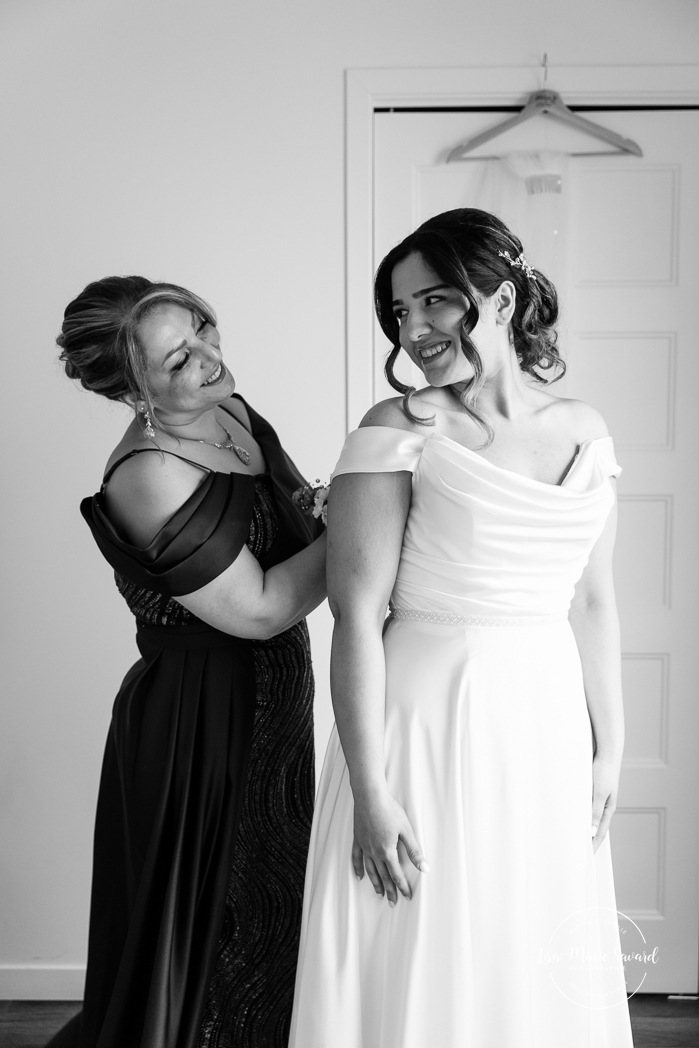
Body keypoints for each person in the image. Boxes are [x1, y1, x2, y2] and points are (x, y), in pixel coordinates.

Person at [289, 209, 634, 1047]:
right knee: (421, 935)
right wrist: (370, 791)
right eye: (398, 311)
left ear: (502, 300)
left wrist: (610, 746)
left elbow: (593, 600)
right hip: (425, 721)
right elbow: (356, 614)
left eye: (434, 300)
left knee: (524, 932)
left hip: (544, 720)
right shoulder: (398, 427)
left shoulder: (583, 430)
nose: (413, 329)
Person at [49, 276, 327, 1048]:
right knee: (220, 925)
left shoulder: (227, 409)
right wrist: (367, 516)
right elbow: (262, 606)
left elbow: (295, 518)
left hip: (274, 706)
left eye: (202, 327)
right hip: (200, 727)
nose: (208, 356)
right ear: (132, 392)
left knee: (277, 908)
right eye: (177, 359)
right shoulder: (147, 475)